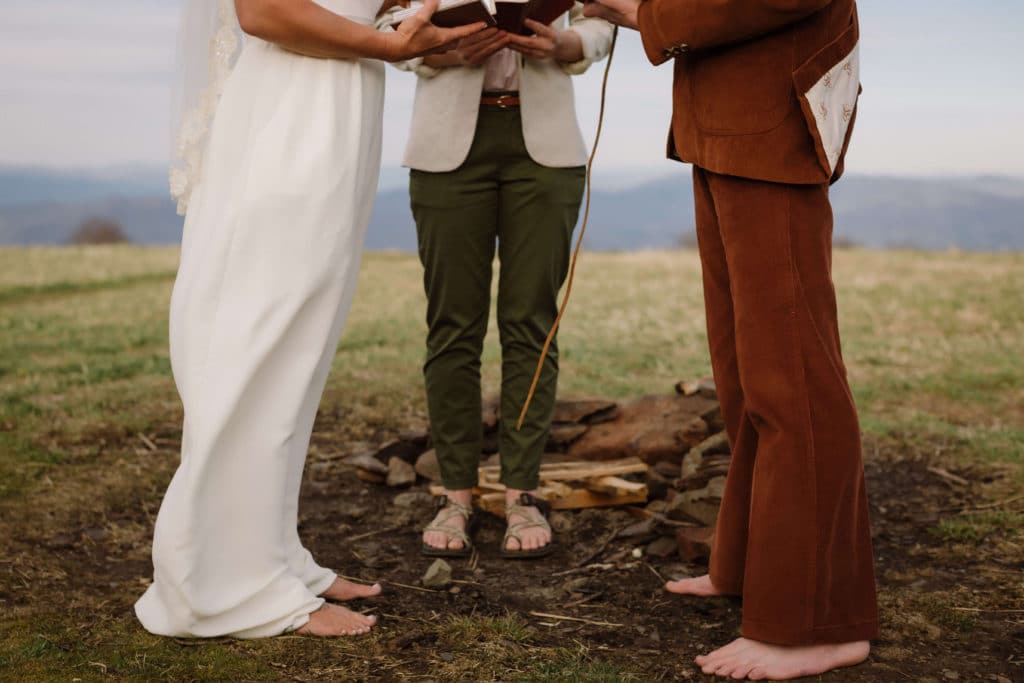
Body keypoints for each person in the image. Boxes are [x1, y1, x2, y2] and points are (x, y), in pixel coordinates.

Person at [134, 0, 483, 639]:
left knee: (298, 349)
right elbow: (264, 11)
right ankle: (219, 586)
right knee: (261, 339)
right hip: (293, 115)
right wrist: (391, 47)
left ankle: (267, 556)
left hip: (335, 102)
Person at [582, 0, 877, 678]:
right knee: (746, 376)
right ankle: (750, 567)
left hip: (771, 126)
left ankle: (816, 622)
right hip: (725, 126)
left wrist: (635, 9)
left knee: (795, 380)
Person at [378, 5, 613, 559]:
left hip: (547, 154)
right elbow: (386, 20)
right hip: (446, 150)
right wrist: (435, 47)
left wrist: (567, 45)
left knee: (531, 320)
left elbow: (602, 19)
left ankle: (522, 494)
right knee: (453, 324)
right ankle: (455, 494)